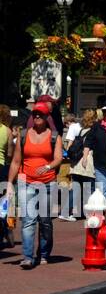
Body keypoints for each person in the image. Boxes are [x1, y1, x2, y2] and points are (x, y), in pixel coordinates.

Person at [7, 101, 62, 268]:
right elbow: (16, 161)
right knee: (28, 220)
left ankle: (44, 253)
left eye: (41, 114)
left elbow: (58, 158)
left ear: (47, 117)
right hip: (26, 182)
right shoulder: (23, 136)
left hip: (47, 182)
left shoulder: (54, 136)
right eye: (35, 114)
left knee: (45, 221)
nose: (37, 116)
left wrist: (47, 166)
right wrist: (10, 183)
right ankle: (28, 256)